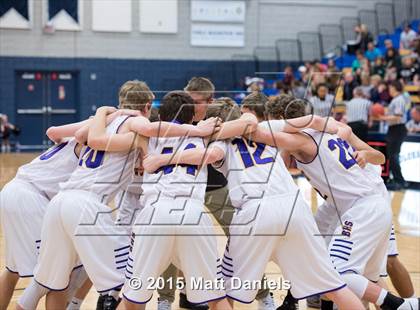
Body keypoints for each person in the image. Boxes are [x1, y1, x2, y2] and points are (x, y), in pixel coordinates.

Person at [145, 95, 365, 310]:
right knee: (333, 285)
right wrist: (338, 129)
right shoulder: (264, 127)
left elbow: (210, 155)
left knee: (221, 290)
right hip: (294, 208)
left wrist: (165, 158)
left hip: (255, 210)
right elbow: (312, 121)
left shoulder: (220, 140)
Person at [267, 95, 419, 310]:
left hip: (365, 202)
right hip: (345, 205)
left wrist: (365, 153)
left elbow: (379, 157)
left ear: (283, 120)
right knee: (349, 269)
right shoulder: (332, 129)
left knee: (344, 272)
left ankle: (404, 304)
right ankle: (308, 299)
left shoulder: (311, 136)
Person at [118, 92, 235, 310]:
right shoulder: (204, 134)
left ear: (159, 115)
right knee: (216, 296)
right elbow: (240, 126)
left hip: (155, 211)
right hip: (192, 212)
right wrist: (210, 125)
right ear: (192, 117)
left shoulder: (147, 136)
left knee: (132, 298)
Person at [376, 81, 409, 190]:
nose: (389, 90)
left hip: (397, 129)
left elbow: (398, 117)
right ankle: (396, 180)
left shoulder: (399, 99)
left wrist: (382, 118)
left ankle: (400, 181)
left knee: (394, 156)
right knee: (392, 155)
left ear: (395, 88)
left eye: (390, 87)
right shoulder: (396, 99)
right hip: (394, 129)